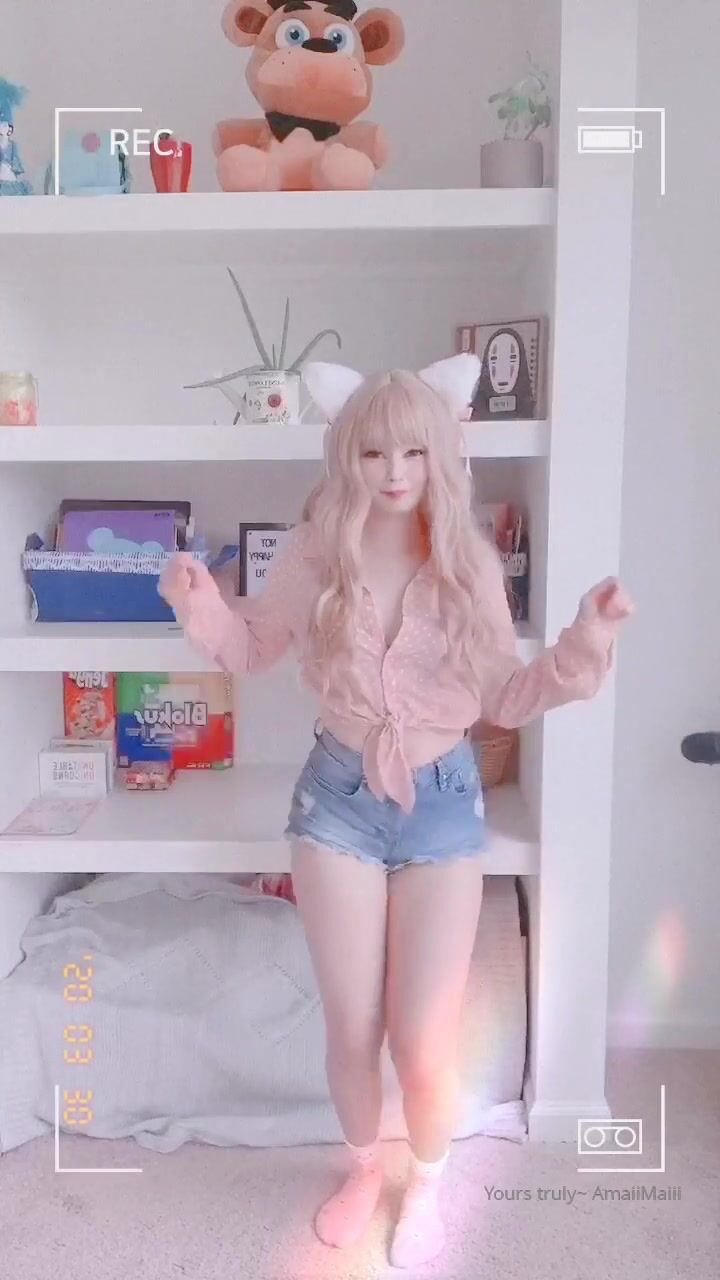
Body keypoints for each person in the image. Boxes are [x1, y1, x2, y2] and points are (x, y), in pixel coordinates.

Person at [158, 353, 635, 1268]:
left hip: (443, 805)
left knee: (423, 1040)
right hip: (336, 801)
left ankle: (427, 1182)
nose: (393, 472)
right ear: (348, 455)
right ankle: (362, 1169)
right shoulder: (313, 553)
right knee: (352, 1026)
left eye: (413, 452)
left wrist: (588, 638)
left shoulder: (466, 563)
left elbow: (509, 697)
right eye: (374, 452)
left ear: (440, 453)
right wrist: (201, 603)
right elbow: (252, 651)